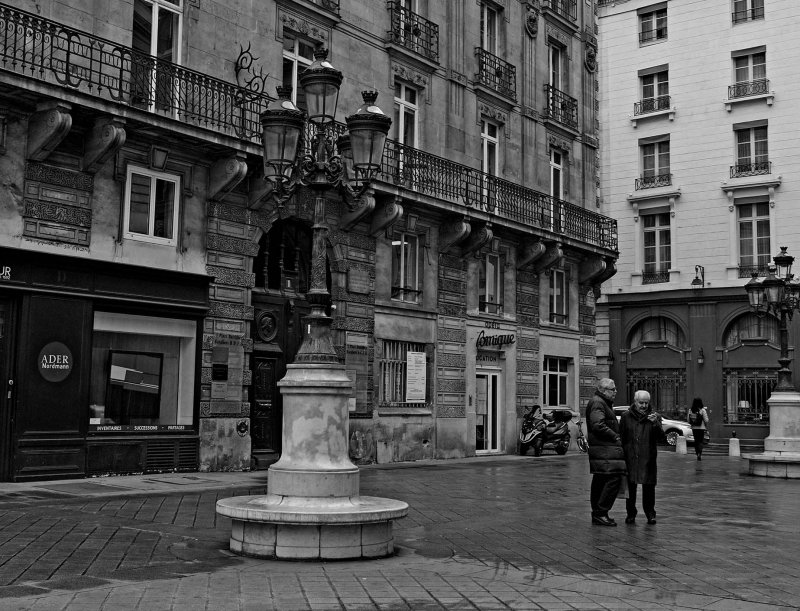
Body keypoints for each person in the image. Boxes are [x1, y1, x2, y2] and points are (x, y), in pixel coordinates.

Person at [619, 390, 664, 525]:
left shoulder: (654, 417)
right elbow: (621, 437)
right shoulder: (626, 416)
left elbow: (661, 439)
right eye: (641, 403)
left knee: (649, 488)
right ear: (635, 401)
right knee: (631, 488)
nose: (644, 406)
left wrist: (656, 424)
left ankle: (650, 513)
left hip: (647, 457)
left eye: (646, 403)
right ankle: (631, 514)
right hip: (630, 457)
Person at [586, 378, 627, 526]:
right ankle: (600, 512)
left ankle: (598, 512)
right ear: (603, 390)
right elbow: (598, 425)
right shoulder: (598, 402)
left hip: (603, 449)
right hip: (605, 449)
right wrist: (615, 436)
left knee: (601, 480)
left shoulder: (601, 402)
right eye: (612, 389)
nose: (615, 391)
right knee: (613, 478)